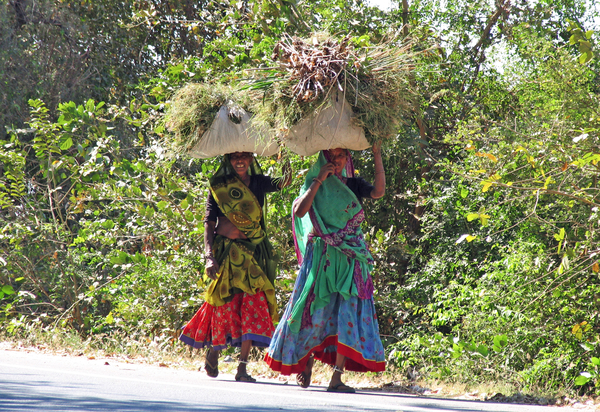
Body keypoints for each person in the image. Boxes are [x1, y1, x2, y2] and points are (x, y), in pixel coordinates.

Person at [265, 143, 386, 393]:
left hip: (350, 256)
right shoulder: (313, 181)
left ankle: (337, 377)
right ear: (324, 157)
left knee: (347, 312)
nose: (339, 160)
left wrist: (376, 154)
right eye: (334, 156)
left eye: (343, 155)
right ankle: (306, 360)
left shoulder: (351, 184)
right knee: (314, 310)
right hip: (322, 257)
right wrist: (319, 180)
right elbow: (300, 212)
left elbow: (378, 193)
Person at [179, 151, 291, 382]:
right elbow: (209, 224)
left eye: (244, 156)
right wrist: (210, 257)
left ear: (251, 159)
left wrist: (284, 151)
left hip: (250, 254)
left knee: (253, 305)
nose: (239, 161)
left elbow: (285, 181)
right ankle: (215, 350)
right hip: (225, 253)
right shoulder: (219, 186)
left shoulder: (259, 183)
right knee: (225, 306)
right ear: (228, 161)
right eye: (234, 157)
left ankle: (242, 368)